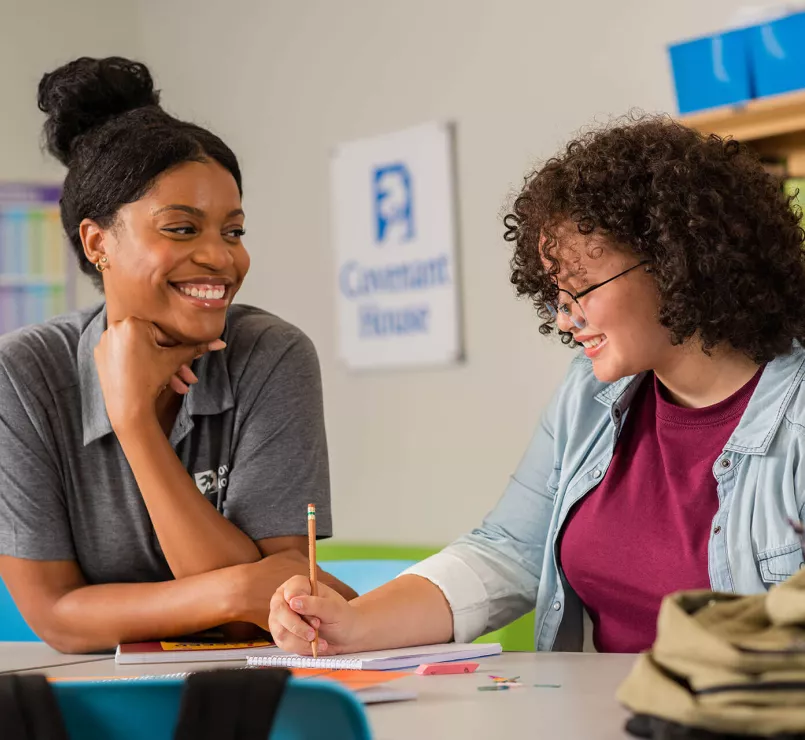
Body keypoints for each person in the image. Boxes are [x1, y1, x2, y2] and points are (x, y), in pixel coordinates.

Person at [269, 115, 805, 656]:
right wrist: (353, 623)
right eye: (556, 294)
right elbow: (507, 552)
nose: (566, 319)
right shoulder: (588, 398)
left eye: (584, 288)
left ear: (679, 262)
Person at [0, 56, 355, 653]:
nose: (221, 257)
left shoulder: (272, 356)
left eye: (233, 231)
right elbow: (56, 615)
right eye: (183, 229)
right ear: (97, 243)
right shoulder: (22, 376)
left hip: (256, 691)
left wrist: (135, 423)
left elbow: (266, 619)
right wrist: (239, 589)